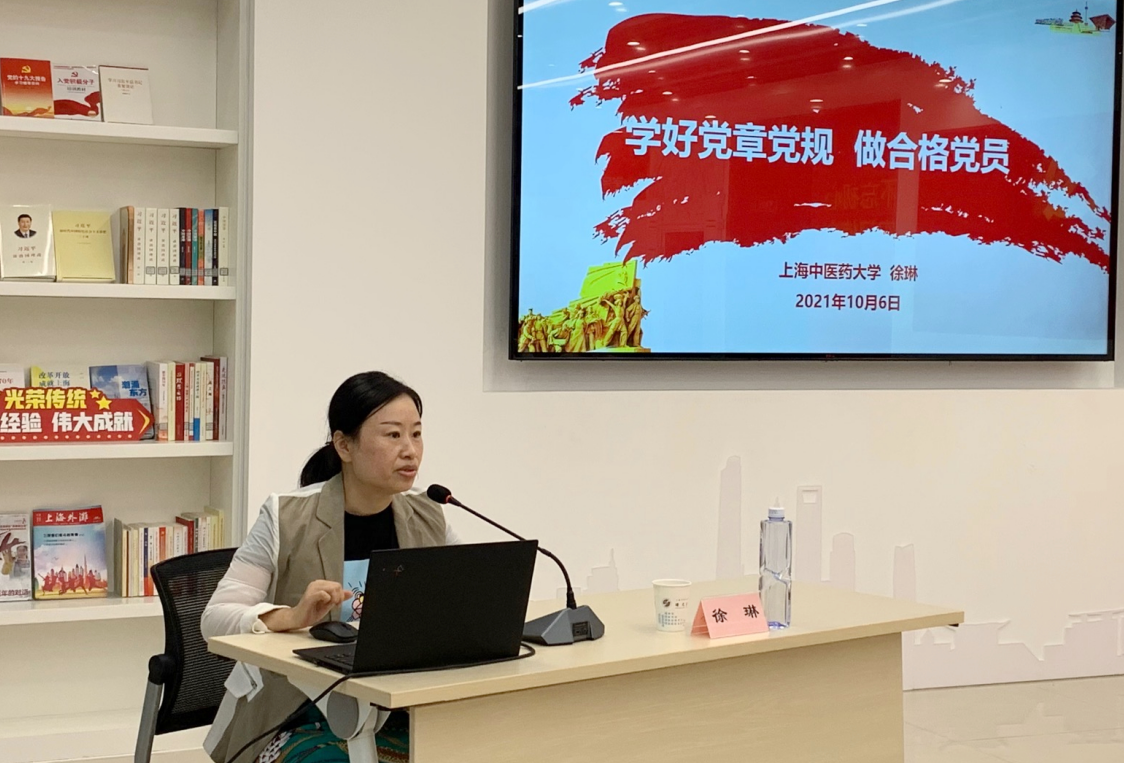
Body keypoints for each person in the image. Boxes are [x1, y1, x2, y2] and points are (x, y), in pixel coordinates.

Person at [201, 371, 458, 763]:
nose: (410, 450)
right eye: (393, 435)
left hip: (400, 707)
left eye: (417, 434)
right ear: (344, 445)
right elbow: (214, 618)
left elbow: (467, 597)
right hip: (294, 714)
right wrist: (289, 617)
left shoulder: (429, 514)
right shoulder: (286, 515)